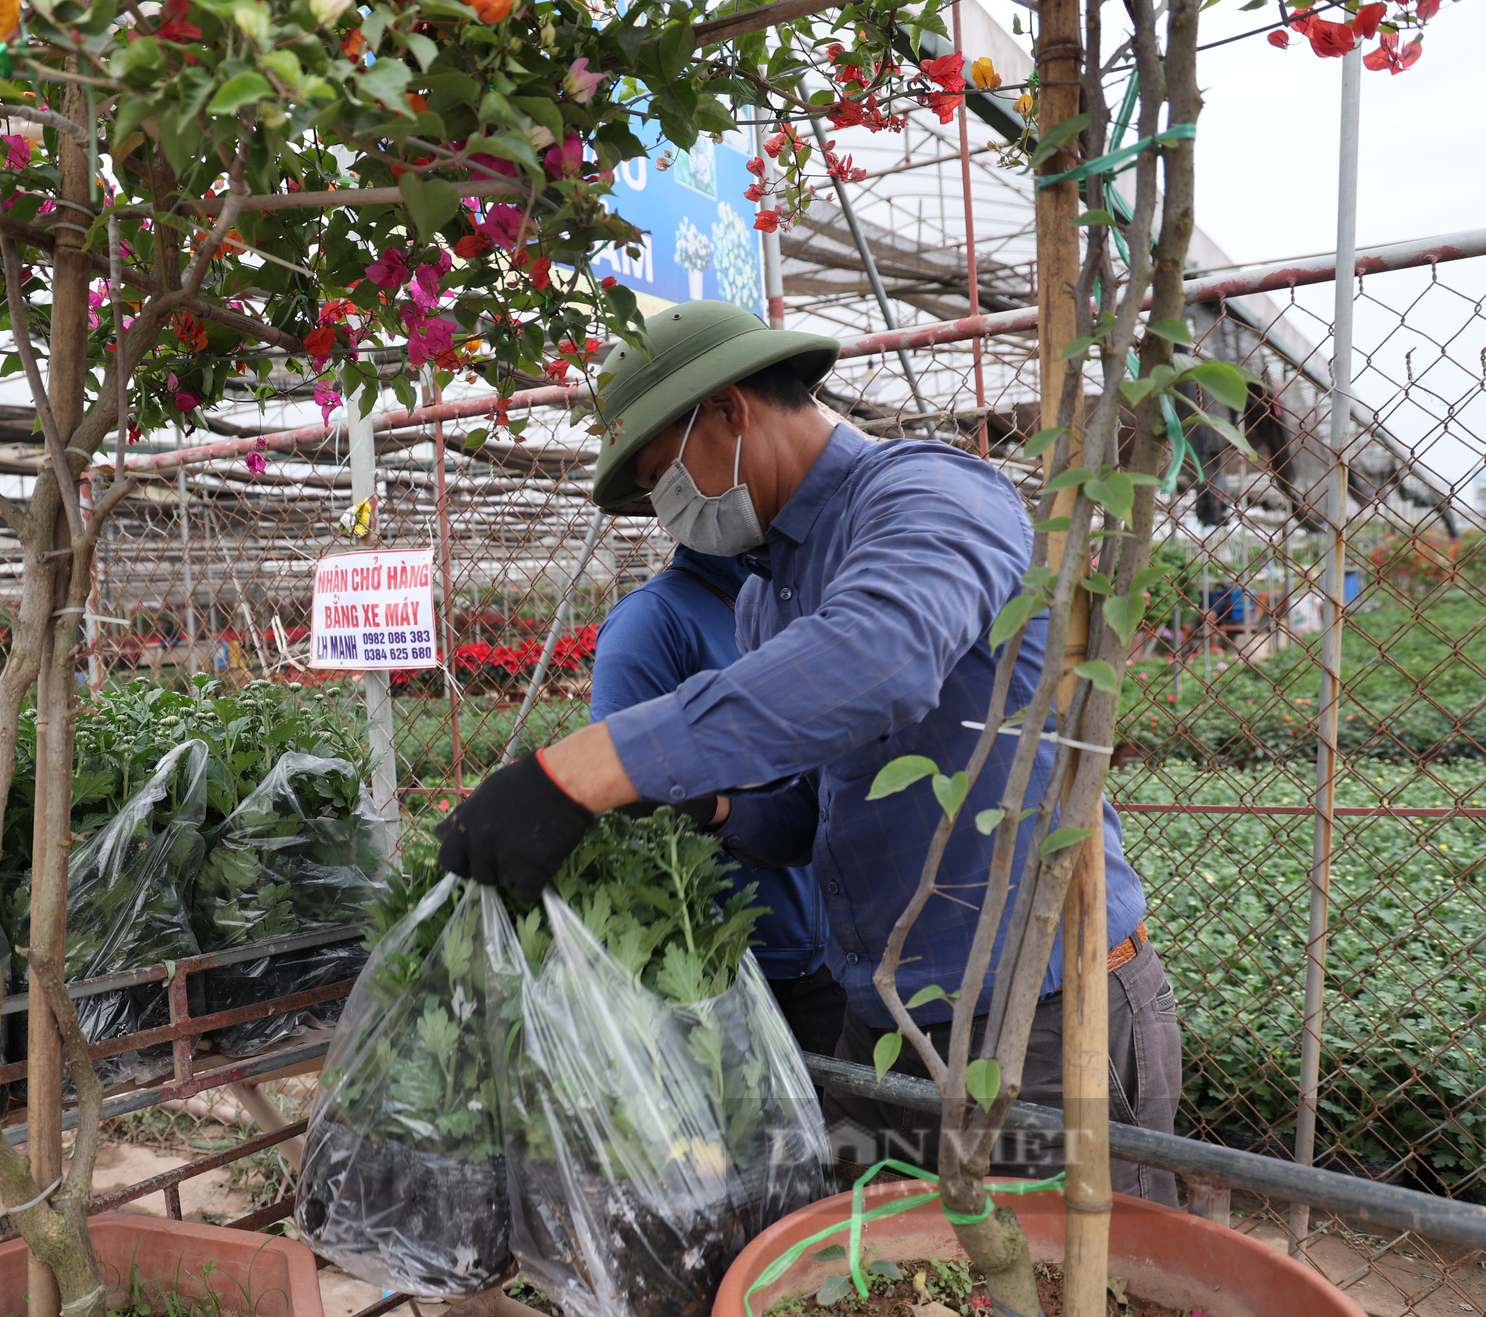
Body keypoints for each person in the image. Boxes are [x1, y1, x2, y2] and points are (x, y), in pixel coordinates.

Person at [439, 301, 1181, 1201]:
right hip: (884, 1023)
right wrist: (710, 805)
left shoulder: (930, 495)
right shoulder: (765, 596)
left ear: (727, 412)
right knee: (883, 1273)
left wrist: (586, 768)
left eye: (661, 474)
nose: (669, 514)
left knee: (1064, 1282)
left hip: (1041, 1017)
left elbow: (882, 659)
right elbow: (812, 810)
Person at [589, 544, 845, 1058]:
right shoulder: (652, 620)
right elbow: (628, 805)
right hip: (731, 966)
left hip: (832, 959)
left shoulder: (805, 603)